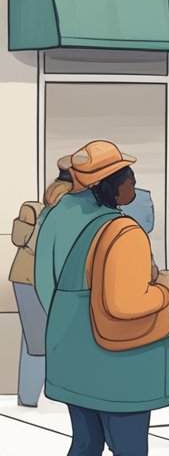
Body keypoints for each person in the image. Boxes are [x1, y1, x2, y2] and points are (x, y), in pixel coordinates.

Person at [37, 141, 169, 456]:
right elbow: (127, 303)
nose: (134, 182)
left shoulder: (57, 216)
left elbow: (46, 285)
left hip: (72, 350)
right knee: (130, 450)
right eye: (127, 175)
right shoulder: (123, 231)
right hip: (117, 362)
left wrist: (72, 324)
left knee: (84, 444)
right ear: (111, 185)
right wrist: (166, 287)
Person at [11, 156, 73, 407]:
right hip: (35, 279)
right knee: (38, 340)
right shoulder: (38, 210)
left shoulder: (34, 209)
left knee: (34, 339)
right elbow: (21, 239)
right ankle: (33, 398)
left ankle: (29, 398)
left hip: (32, 280)